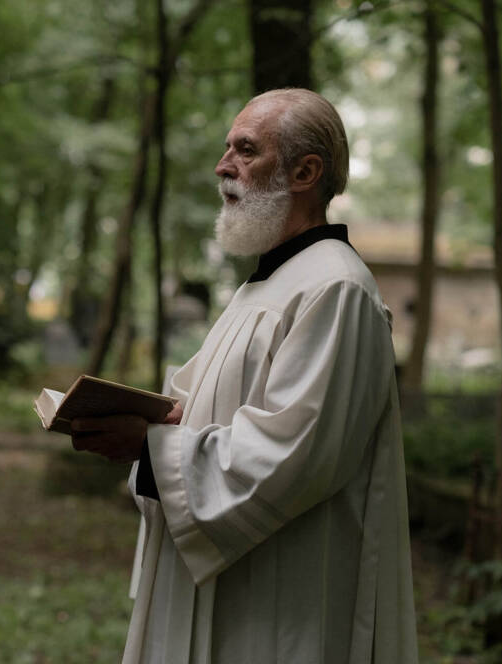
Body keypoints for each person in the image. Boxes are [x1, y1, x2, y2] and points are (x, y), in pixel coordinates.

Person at [70, 88, 418, 663]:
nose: (222, 165)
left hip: (281, 595)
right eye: (227, 147)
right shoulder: (265, 285)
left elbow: (298, 452)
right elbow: (209, 406)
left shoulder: (336, 288)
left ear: (305, 172)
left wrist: (151, 449)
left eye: (246, 150)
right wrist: (161, 417)